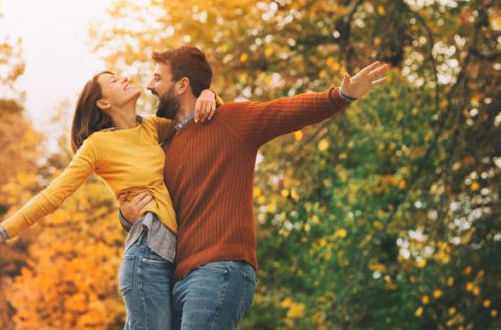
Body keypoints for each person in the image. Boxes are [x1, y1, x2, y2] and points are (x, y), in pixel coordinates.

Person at [118, 46, 389, 330]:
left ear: (183, 85)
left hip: (218, 269)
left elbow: (284, 111)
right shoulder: (165, 148)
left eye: (158, 78)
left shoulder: (230, 120)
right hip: (177, 281)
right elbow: (151, 208)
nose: (149, 85)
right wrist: (127, 215)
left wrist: (341, 95)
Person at [0, 70, 223, 329]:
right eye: (114, 80)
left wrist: (210, 95)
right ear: (103, 103)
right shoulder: (97, 145)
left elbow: (197, 120)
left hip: (174, 254)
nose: (125, 79)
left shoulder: (153, 127)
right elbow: (53, 195)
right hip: (147, 255)